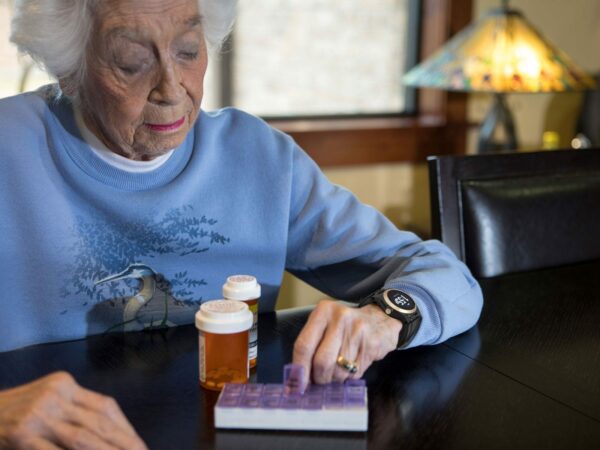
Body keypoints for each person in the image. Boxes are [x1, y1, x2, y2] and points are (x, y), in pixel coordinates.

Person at [0, 0, 483, 448]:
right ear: (70, 70)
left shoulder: (257, 157)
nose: (172, 89)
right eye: (131, 62)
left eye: (188, 51)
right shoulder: (9, 148)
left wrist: (382, 319)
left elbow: (444, 275)